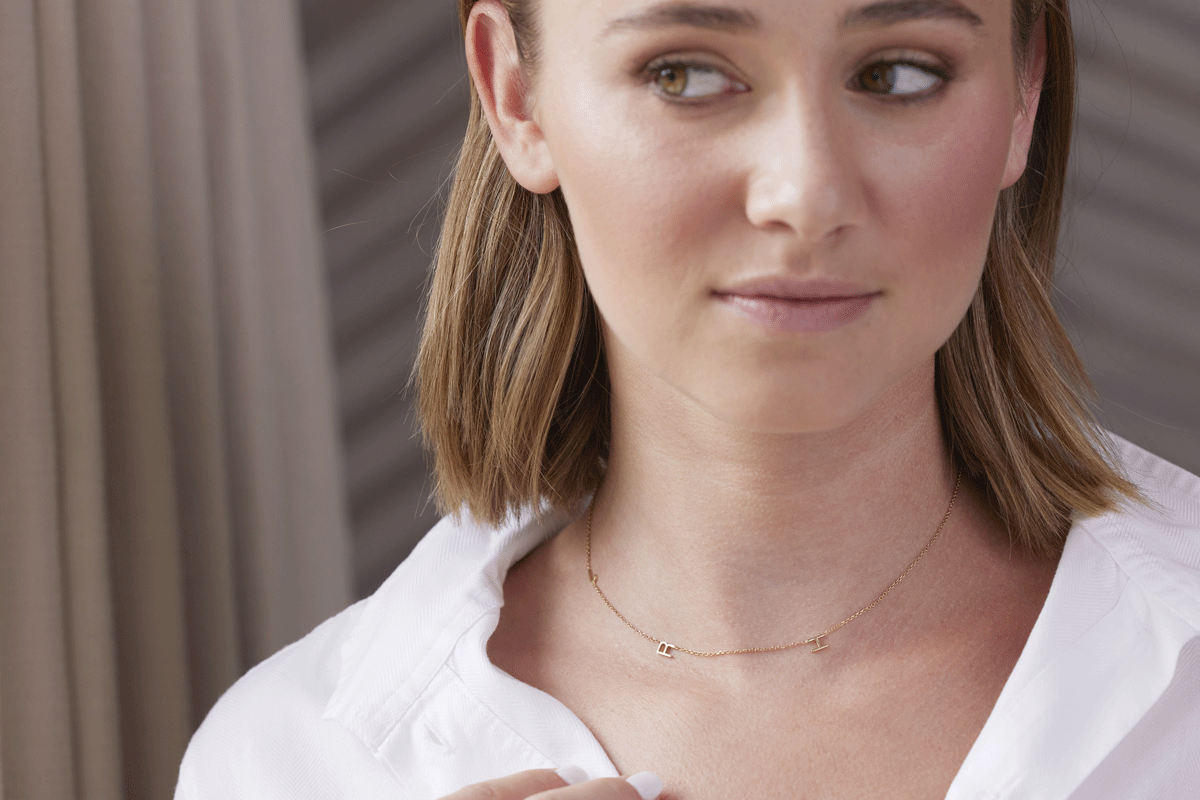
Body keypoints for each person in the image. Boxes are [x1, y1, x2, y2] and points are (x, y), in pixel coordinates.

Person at [174, 0, 1200, 797]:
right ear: (517, 95)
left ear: (1023, 97)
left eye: (898, 73)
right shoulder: (294, 762)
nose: (804, 193)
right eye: (686, 73)